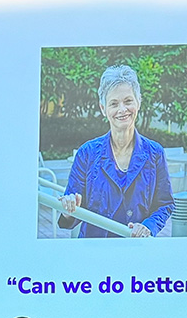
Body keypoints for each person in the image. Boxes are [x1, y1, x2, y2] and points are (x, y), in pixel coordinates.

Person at [57, 64, 174, 238]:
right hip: (94, 249)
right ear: (103, 109)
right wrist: (68, 209)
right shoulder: (87, 153)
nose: (122, 109)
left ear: (138, 102)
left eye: (128, 101)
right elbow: (72, 210)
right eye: (113, 103)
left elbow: (164, 204)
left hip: (137, 247)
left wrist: (148, 226)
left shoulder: (155, 153)